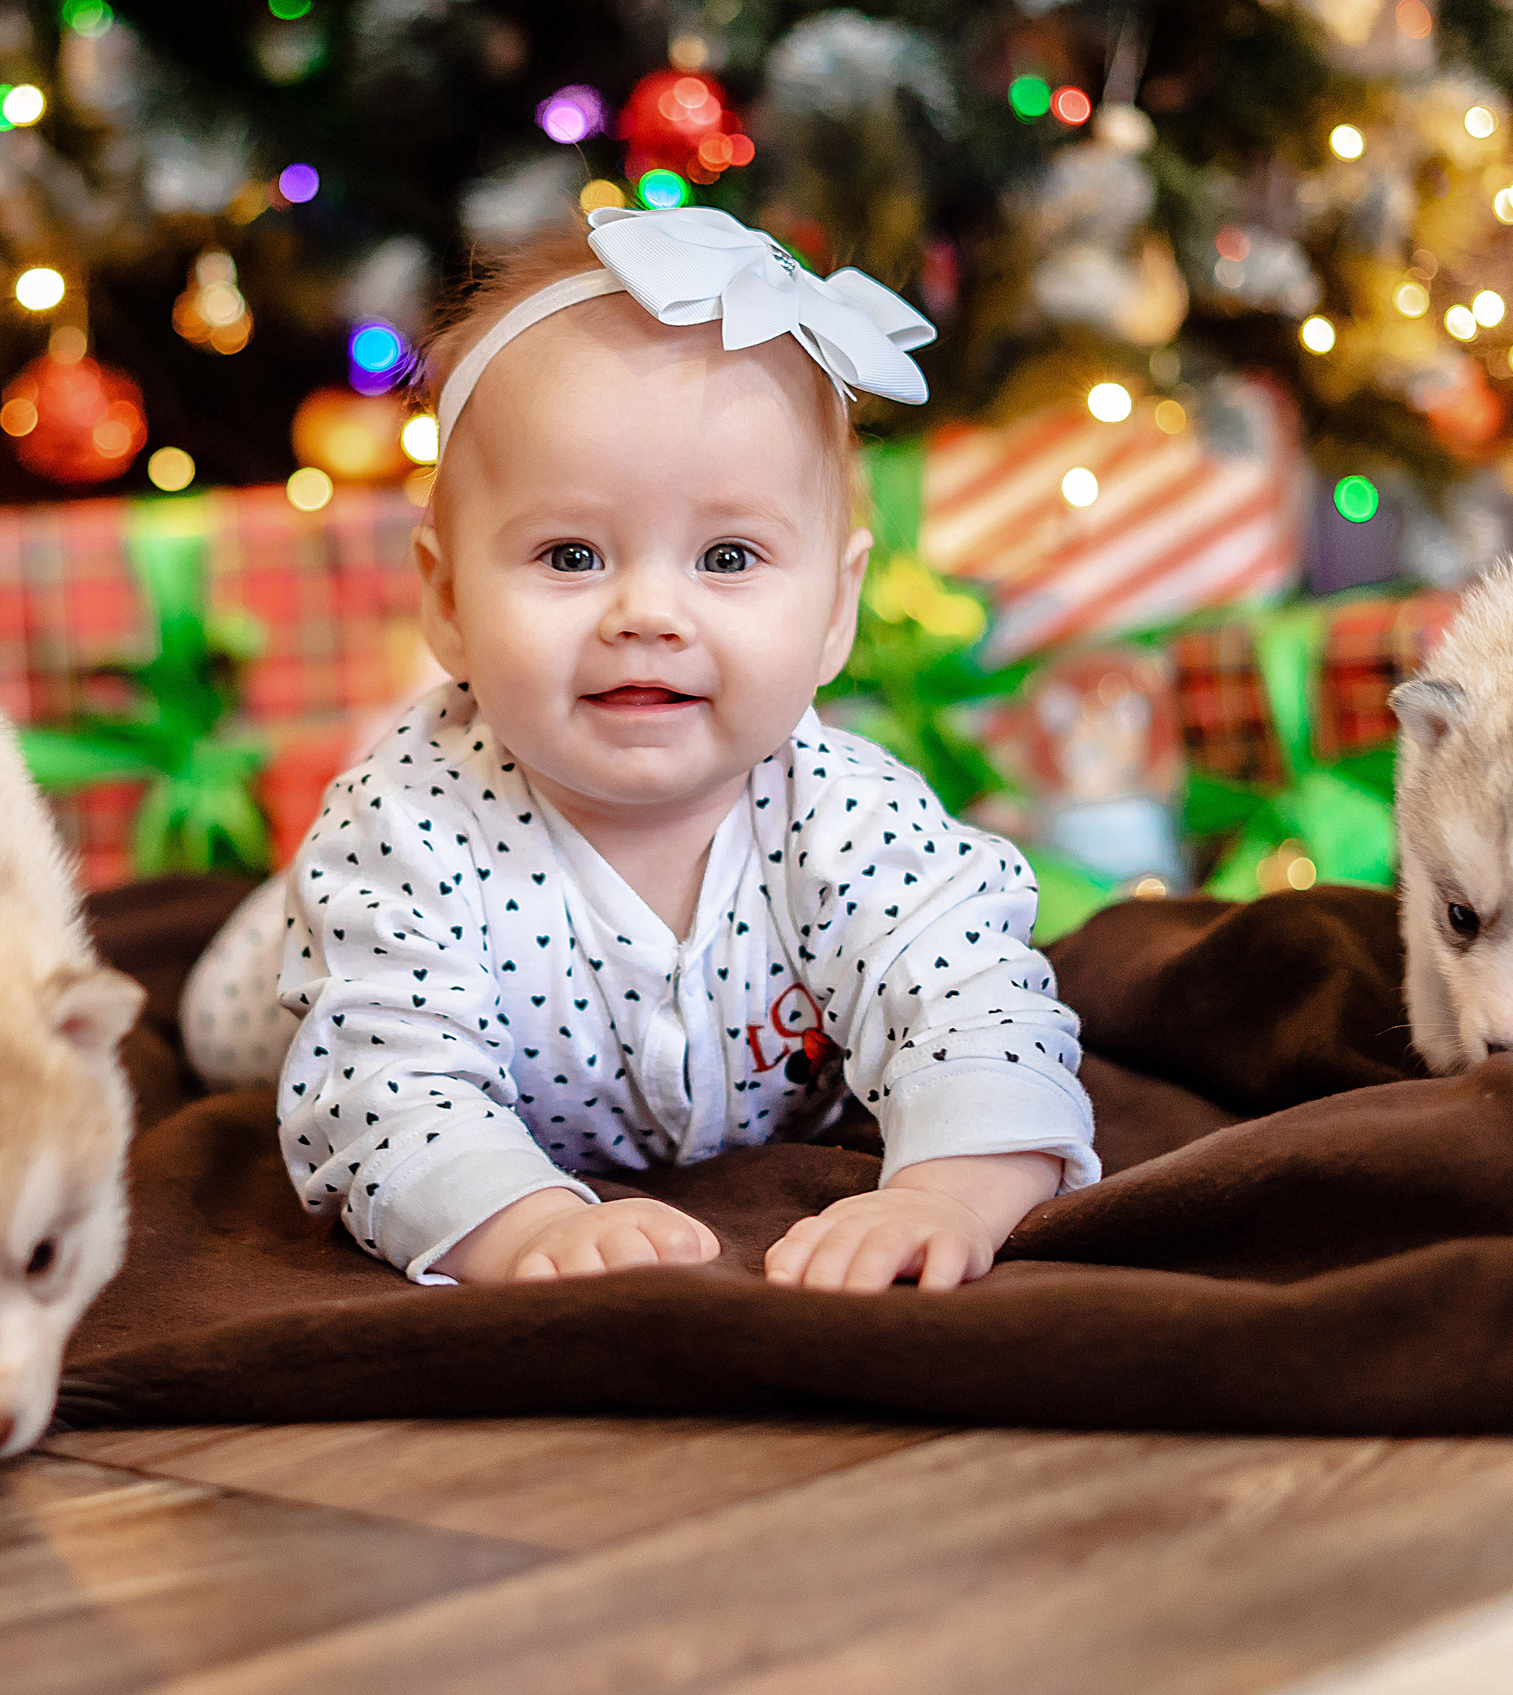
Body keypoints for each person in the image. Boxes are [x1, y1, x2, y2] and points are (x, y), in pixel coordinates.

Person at [181, 206, 1097, 1290]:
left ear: (836, 610)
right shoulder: (402, 837)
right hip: (290, 974)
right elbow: (382, 1090)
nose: (649, 613)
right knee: (236, 1029)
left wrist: (949, 1192)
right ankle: (273, 911)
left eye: (727, 555)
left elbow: (977, 1006)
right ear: (447, 600)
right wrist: (519, 1225)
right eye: (571, 554)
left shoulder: (848, 818)